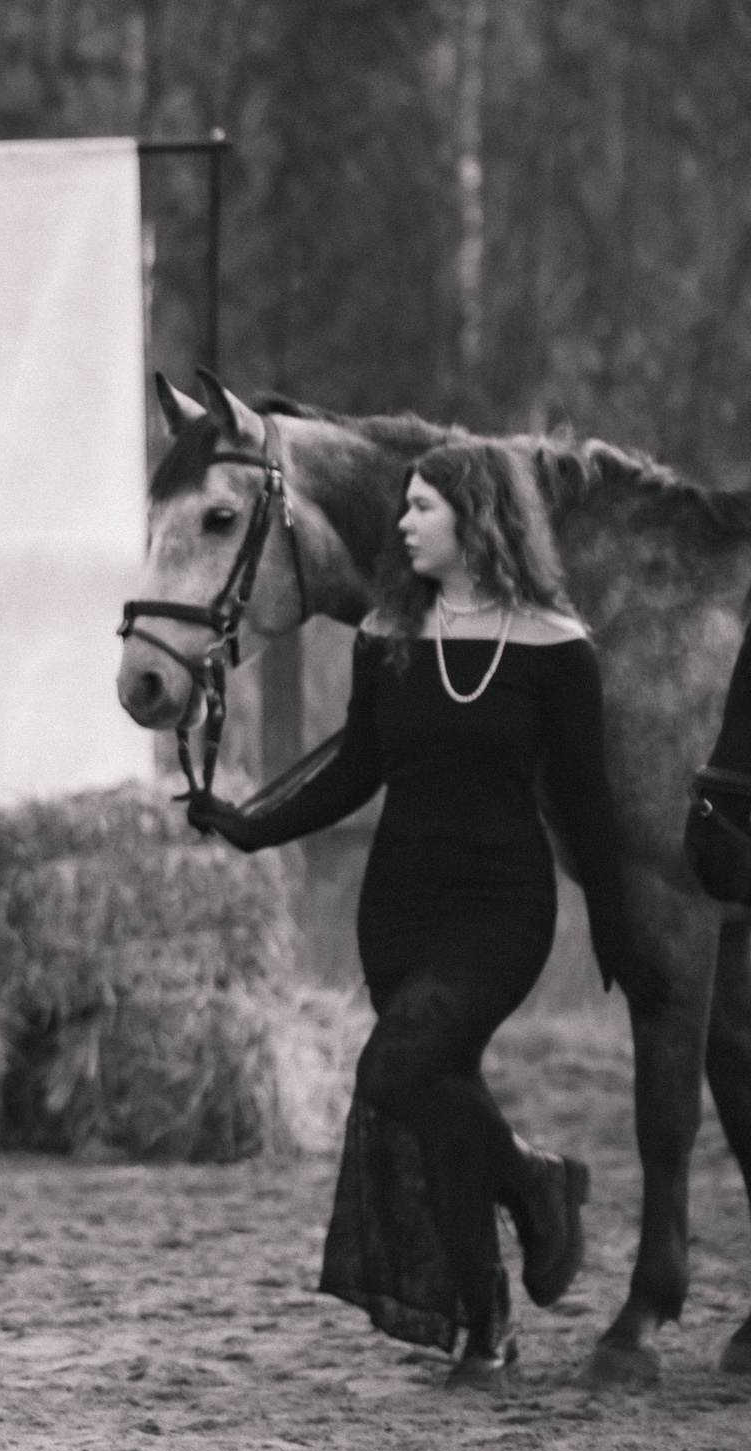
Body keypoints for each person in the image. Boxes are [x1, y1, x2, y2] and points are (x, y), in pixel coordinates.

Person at [186, 438, 664, 1389]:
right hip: (399, 903)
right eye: (405, 507)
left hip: (502, 905)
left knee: (396, 1066)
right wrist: (249, 824)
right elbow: (356, 767)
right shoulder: (387, 635)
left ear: (478, 518)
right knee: (438, 1097)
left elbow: (584, 802)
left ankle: (530, 1178)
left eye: (422, 508)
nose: (402, 524)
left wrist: (616, 929)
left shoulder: (559, 649)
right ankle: (487, 1323)